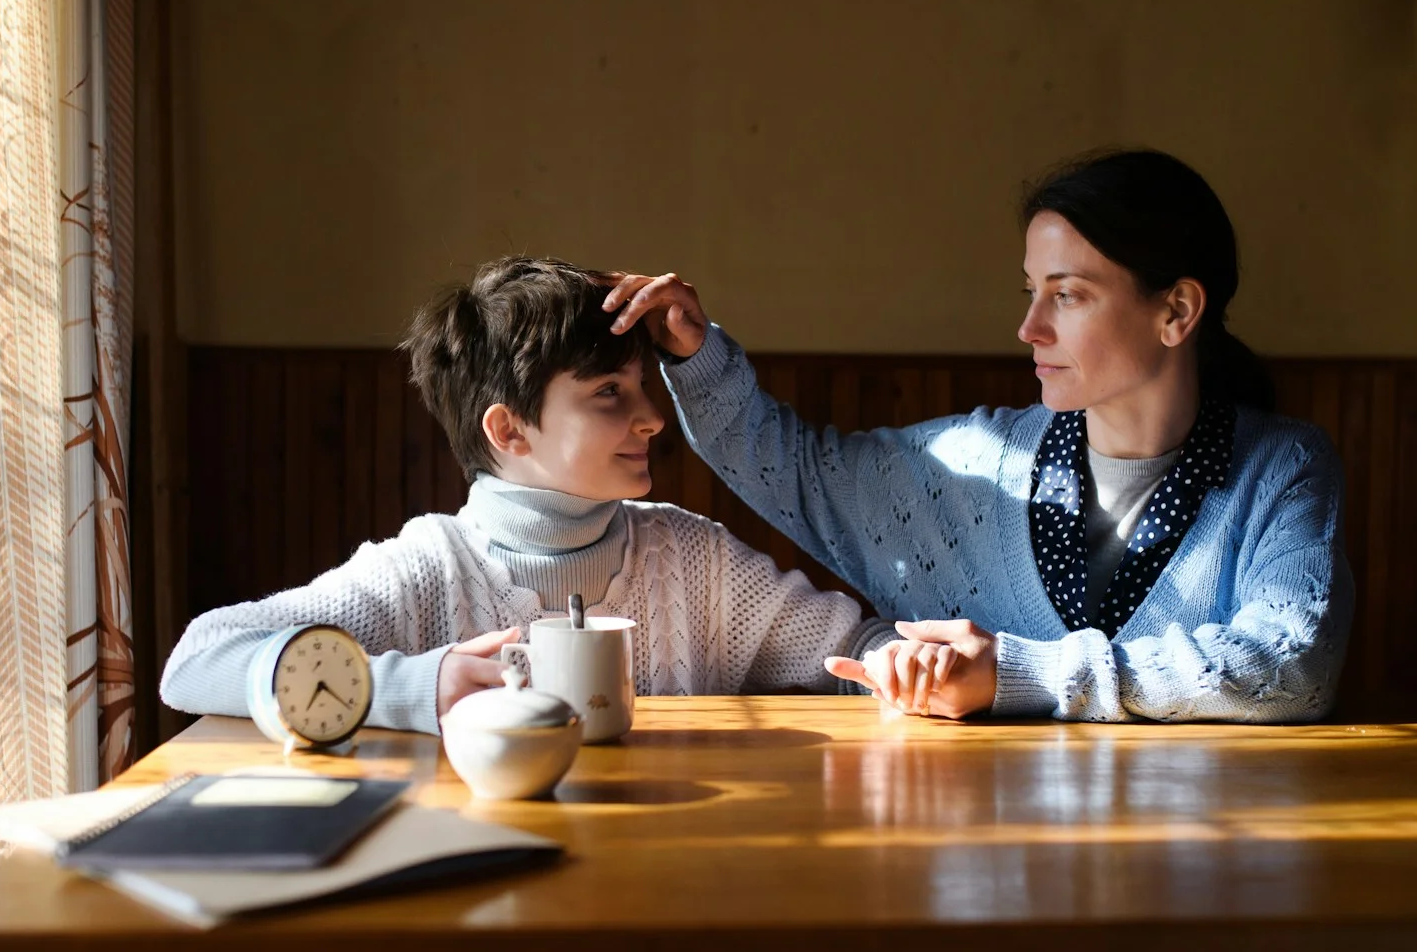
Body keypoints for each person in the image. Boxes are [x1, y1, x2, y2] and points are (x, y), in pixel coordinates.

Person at [605, 149, 1353, 723]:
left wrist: (1015, 673)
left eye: (1068, 295)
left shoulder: (1280, 468)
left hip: (1196, 879)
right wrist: (694, 357)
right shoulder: (974, 467)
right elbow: (796, 470)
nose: (1030, 328)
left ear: (1178, 311)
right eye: (1032, 292)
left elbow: (1292, 665)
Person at [159, 256, 893, 733]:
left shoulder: (692, 557)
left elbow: (855, 653)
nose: (653, 418)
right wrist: (416, 685)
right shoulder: (423, 572)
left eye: (643, 386)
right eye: (610, 392)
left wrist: (906, 665)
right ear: (509, 430)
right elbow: (198, 658)